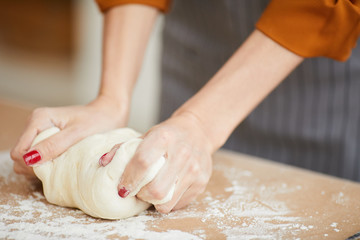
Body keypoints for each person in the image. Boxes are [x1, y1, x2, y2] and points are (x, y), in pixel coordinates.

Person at [10, 0, 360, 213]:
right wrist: (112, 98)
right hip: (197, 41)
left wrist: (202, 123)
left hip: (318, 70)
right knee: (165, 177)